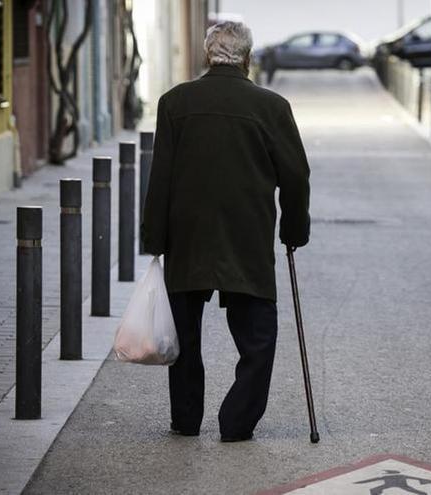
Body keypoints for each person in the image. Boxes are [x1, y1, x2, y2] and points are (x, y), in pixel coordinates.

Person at [141, 21, 311, 442]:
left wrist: (154, 240)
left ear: (206, 56)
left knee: (184, 334)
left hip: (188, 234)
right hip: (246, 236)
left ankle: (185, 419)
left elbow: (160, 175)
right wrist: (293, 229)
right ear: (248, 59)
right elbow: (296, 175)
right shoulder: (272, 107)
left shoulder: (174, 103)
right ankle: (236, 422)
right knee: (258, 338)